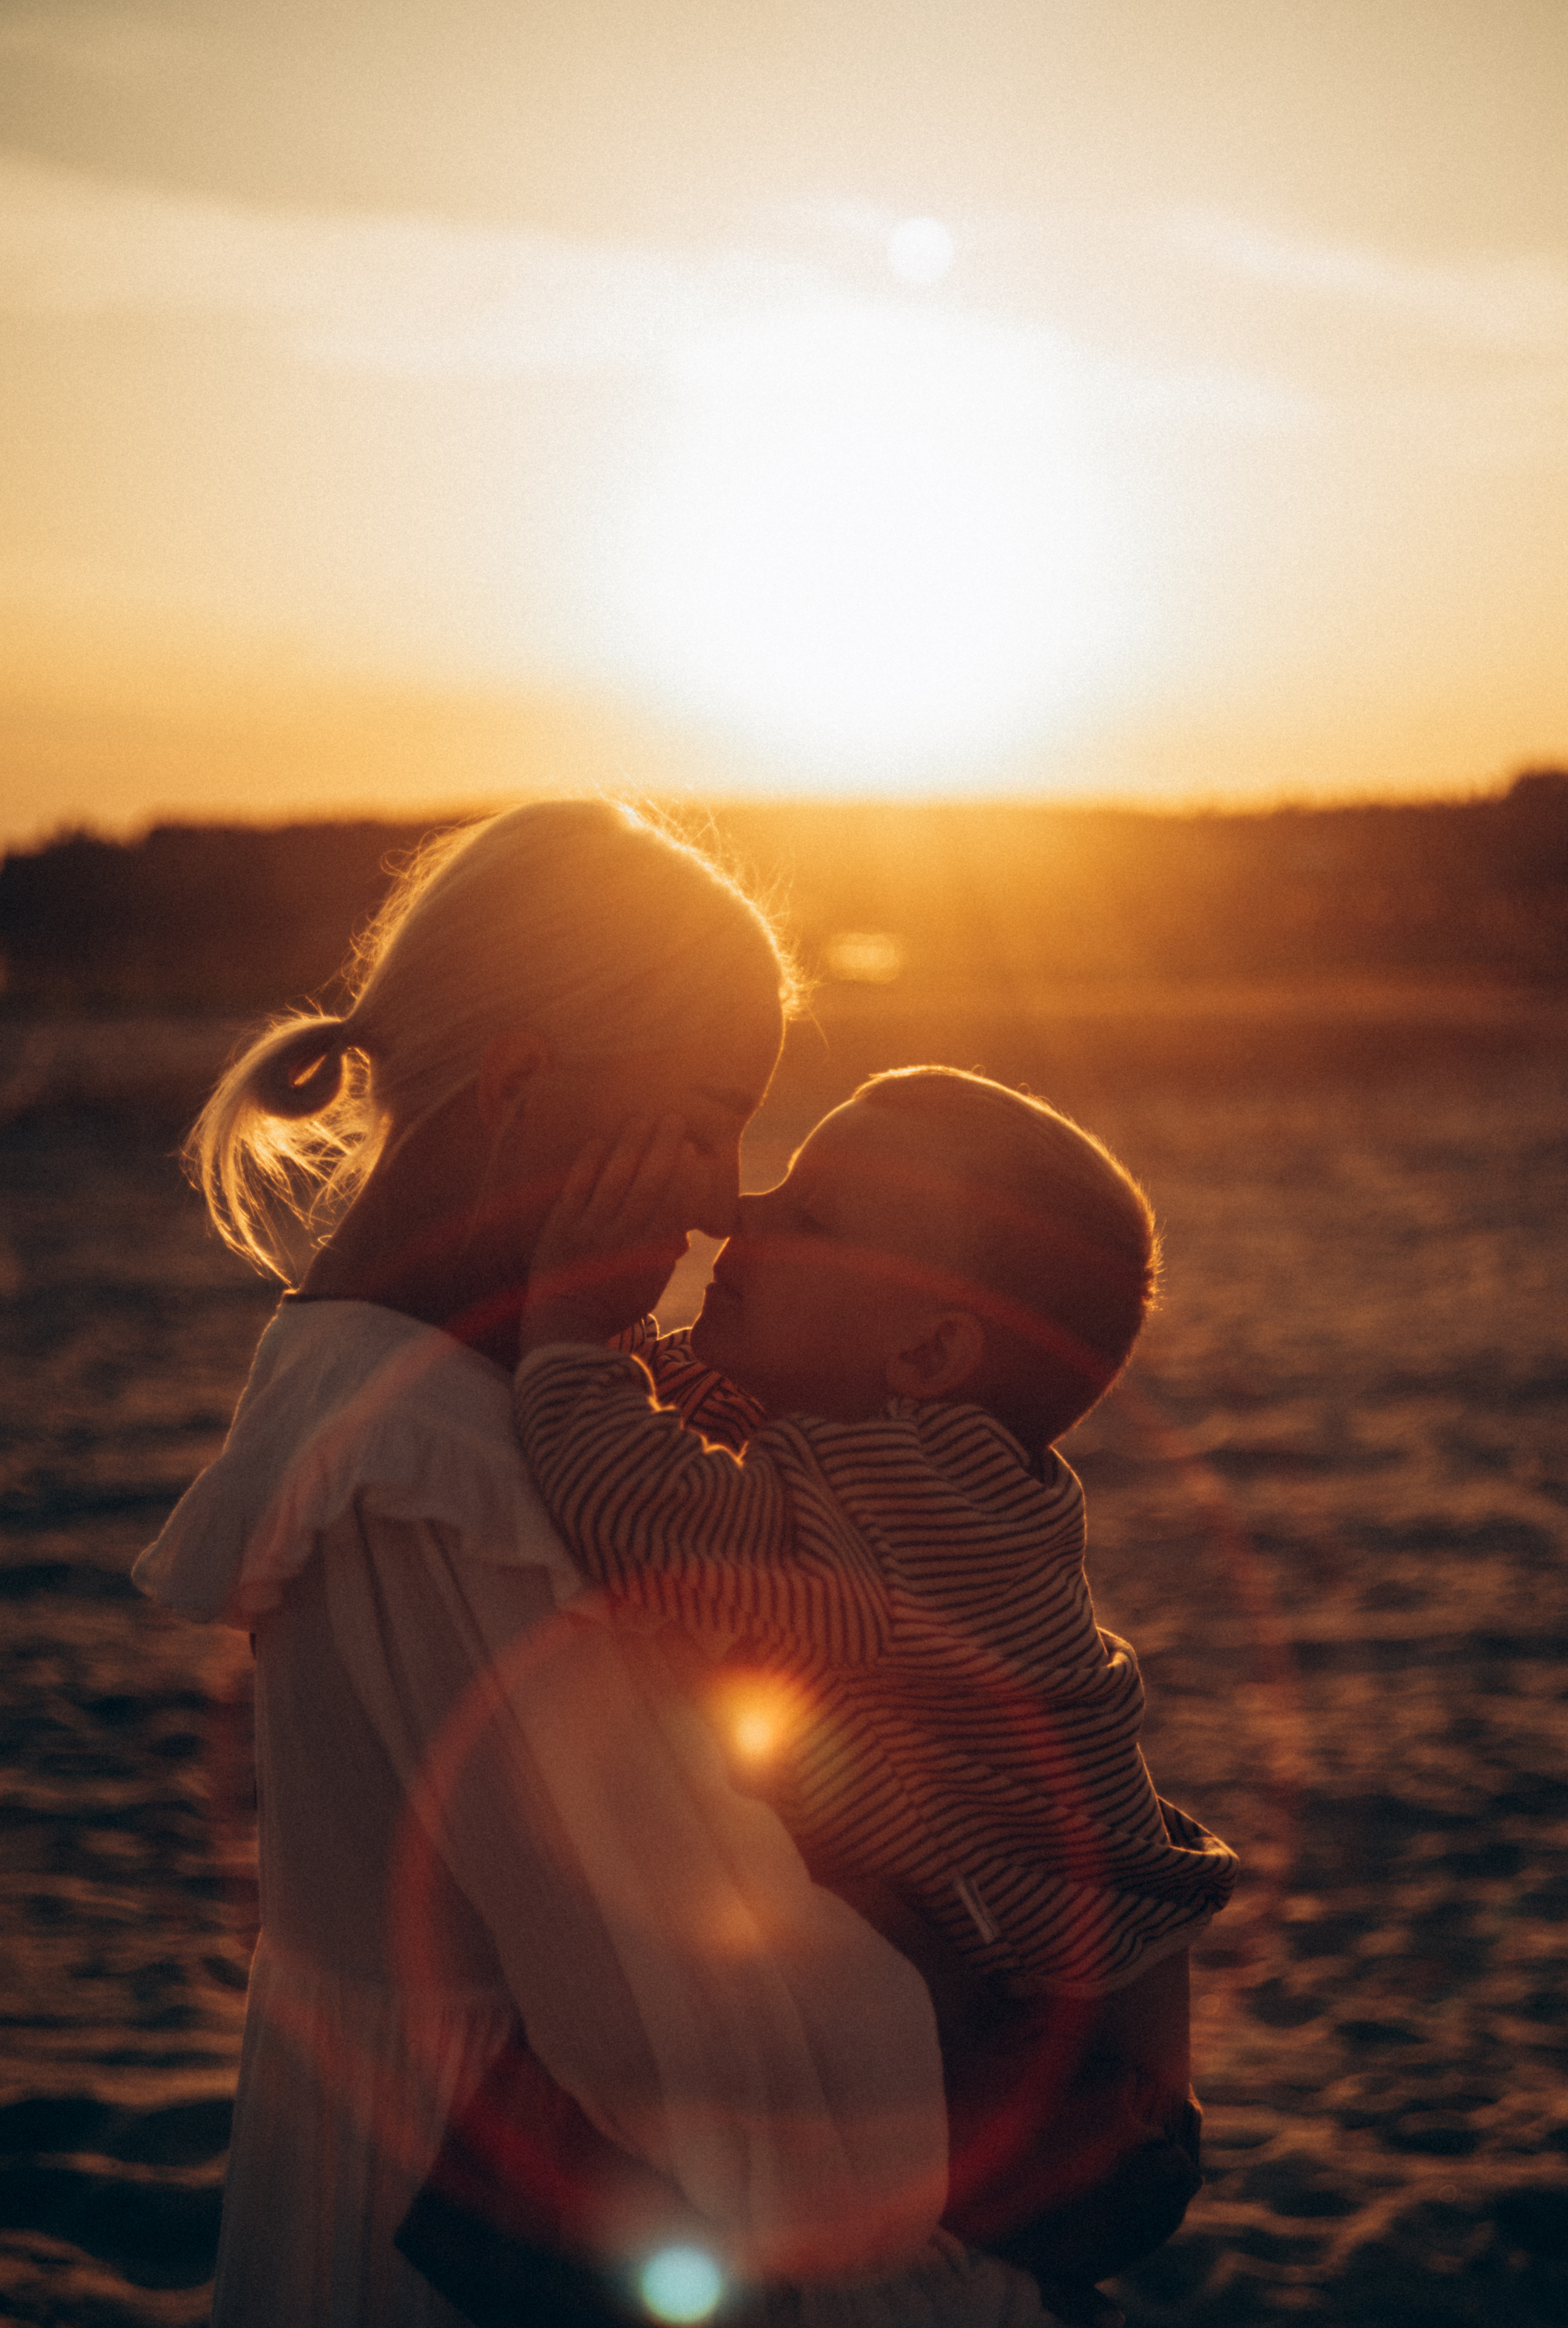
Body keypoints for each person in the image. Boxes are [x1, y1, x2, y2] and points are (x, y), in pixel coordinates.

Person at [133, 802, 1055, 2328]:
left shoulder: (417, 1382)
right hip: (470, 2215)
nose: (719, 1194)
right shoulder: (419, 1453)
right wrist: (965, 2031)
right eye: (708, 1117)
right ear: (517, 1086)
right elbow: (655, 1984)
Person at [499, 1066, 1240, 2312]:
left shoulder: (928, 1507)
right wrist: (627, 1311)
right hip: (1042, 2019)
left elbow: (654, 1515)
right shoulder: (878, 1437)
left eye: (814, 1216)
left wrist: (564, 1335)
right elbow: (694, 1416)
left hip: (1063, 2082)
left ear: (929, 1350)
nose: (745, 1213)